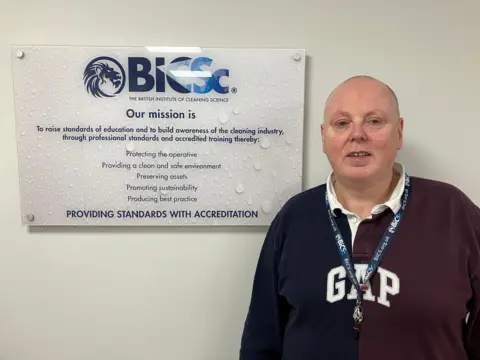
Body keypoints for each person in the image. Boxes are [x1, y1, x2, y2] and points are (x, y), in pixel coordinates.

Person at [238, 75, 480, 360]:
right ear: (324, 137)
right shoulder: (294, 217)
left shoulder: (453, 212)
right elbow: (262, 339)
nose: (357, 134)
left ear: (399, 133)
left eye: (374, 121)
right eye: (342, 123)